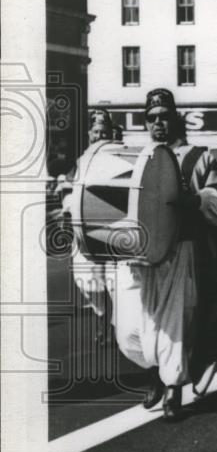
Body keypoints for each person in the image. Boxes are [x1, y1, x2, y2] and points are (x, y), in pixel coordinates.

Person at [112, 88, 217, 421]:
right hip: (142, 252)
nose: (158, 124)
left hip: (182, 250)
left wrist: (195, 200)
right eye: (151, 119)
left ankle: (172, 388)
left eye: (164, 117)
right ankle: (153, 369)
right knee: (130, 327)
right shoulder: (137, 157)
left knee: (174, 322)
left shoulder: (200, 156)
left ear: (175, 119)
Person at [61, 108, 117, 332]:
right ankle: (102, 313)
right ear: (89, 134)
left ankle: (111, 323)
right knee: (86, 279)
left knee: (114, 281)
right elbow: (67, 194)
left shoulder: (119, 158)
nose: (100, 136)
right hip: (85, 229)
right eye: (96, 132)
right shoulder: (80, 162)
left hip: (113, 229)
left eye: (104, 132)